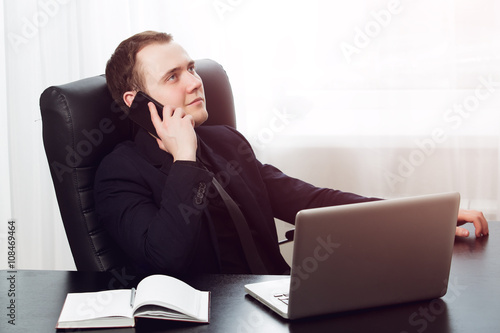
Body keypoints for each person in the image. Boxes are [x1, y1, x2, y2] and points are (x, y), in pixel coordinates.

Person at [95, 31, 489, 277]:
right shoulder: (120, 173)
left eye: (192, 68)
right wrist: (184, 160)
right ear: (135, 102)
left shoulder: (227, 143)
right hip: (207, 319)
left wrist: (424, 220)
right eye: (173, 76)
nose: (195, 83)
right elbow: (166, 259)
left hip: (276, 298)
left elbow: (312, 200)